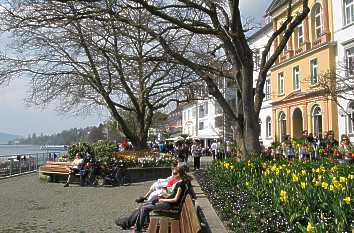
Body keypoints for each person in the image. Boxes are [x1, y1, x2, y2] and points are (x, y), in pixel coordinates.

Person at [115, 166, 190, 232]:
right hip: (166, 201)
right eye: (173, 173)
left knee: (144, 208)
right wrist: (164, 194)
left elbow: (175, 200)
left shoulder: (180, 185)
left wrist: (161, 199)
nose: (172, 175)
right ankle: (134, 223)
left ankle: (136, 228)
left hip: (168, 204)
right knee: (144, 206)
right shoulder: (179, 182)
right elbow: (172, 195)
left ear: (180, 174)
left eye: (174, 174)